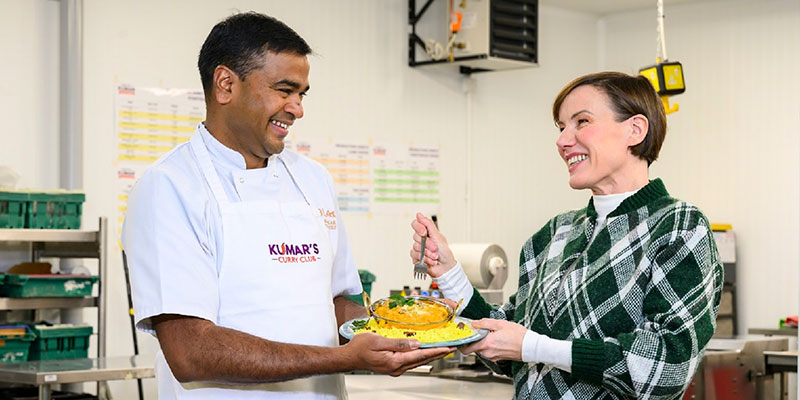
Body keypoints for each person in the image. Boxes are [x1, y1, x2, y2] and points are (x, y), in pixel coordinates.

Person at [122, 12, 453, 399]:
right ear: (225, 84)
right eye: (284, 90)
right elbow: (191, 352)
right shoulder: (170, 187)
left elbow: (341, 302)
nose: (297, 108)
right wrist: (344, 359)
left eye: (302, 94)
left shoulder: (313, 180)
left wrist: (409, 329)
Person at [410, 71, 724, 399]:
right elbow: (509, 347)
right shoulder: (552, 235)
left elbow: (667, 366)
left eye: (582, 122)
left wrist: (535, 348)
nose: (562, 141)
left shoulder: (678, 226)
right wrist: (449, 273)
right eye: (561, 127)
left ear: (635, 129)